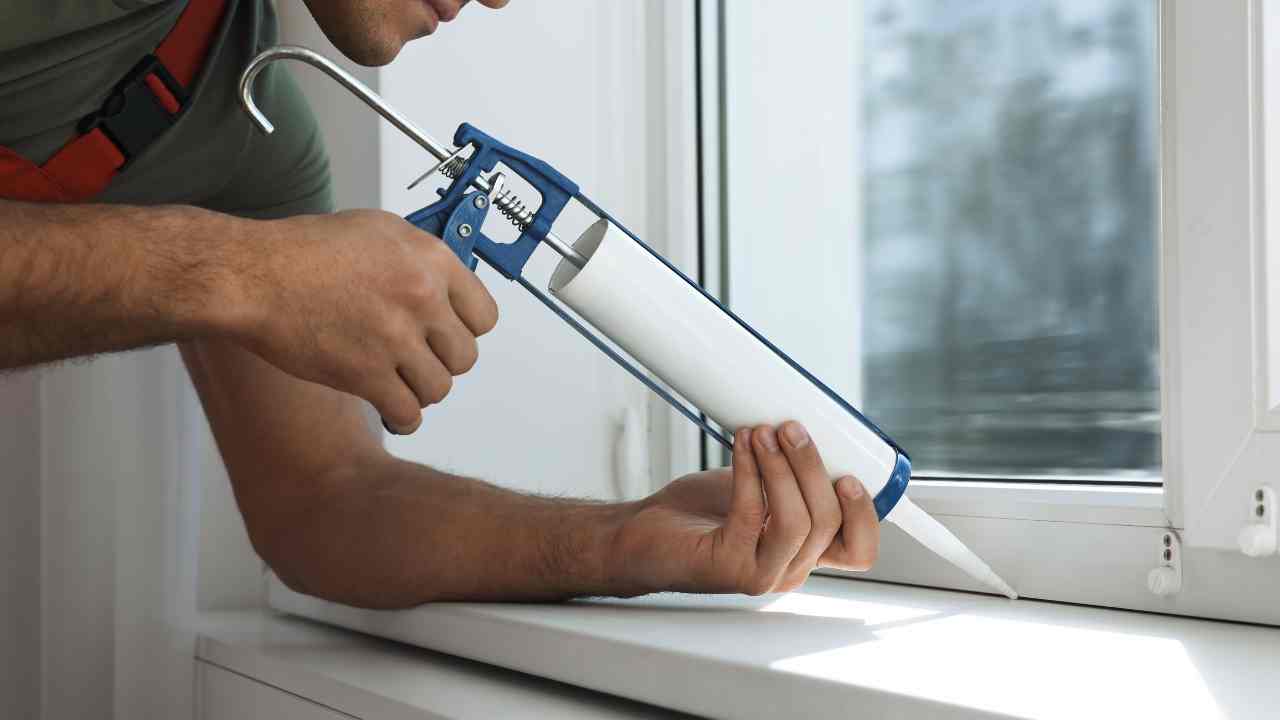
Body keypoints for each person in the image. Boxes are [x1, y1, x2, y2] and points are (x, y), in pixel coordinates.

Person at [0, 0, 879, 608]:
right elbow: (244, 278)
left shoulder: (250, 142)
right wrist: (239, 275)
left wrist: (620, 542)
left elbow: (323, 502)